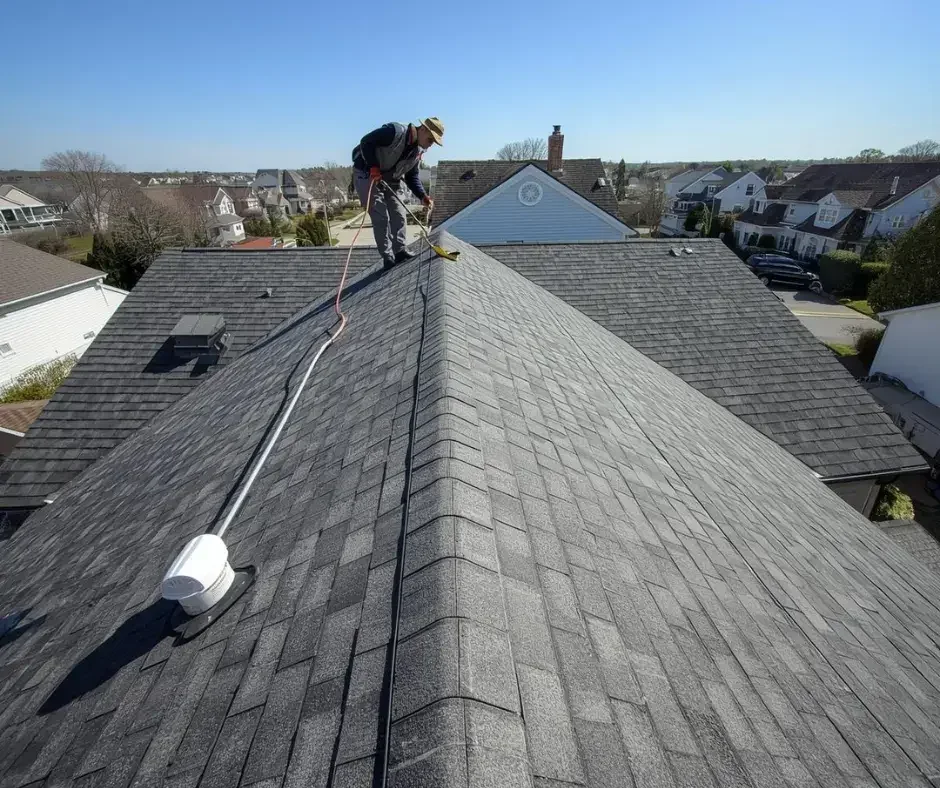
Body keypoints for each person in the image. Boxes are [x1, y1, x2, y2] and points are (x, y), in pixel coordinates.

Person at [352, 117, 444, 268]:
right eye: (430, 139)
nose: (431, 144)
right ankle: (388, 258)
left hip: (390, 177)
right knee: (381, 216)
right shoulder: (394, 132)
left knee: (399, 213)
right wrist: (374, 167)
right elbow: (366, 142)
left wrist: (423, 196)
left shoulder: (418, 151)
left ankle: (400, 251)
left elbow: (411, 176)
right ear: (422, 129)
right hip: (366, 172)